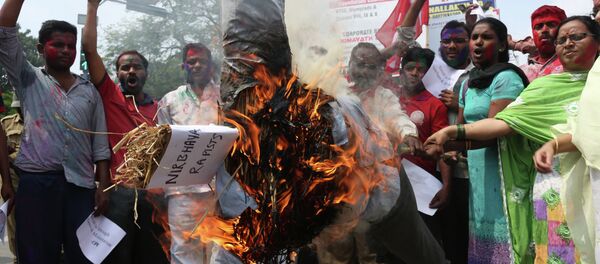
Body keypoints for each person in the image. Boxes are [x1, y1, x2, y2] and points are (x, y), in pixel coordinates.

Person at [426, 16, 600, 264]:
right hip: (556, 189)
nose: (568, 44)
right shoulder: (543, 87)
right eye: (562, 40)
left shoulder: (597, 84)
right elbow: (504, 122)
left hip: (594, 184)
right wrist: (452, 132)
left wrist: (554, 144)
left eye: (577, 37)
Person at [0, 0, 112, 262]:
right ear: (41, 48)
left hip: (81, 189)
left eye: (71, 46)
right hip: (37, 186)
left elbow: (100, 143)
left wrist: (103, 184)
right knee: (36, 256)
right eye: (57, 45)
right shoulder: (27, 78)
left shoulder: (89, 91)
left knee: (82, 257)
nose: (66, 50)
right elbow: (4, 31)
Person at [427, 17, 529, 263]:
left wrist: (447, 140)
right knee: (483, 244)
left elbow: (493, 134)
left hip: (504, 171)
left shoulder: (507, 78)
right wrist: (450, 153)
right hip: (477, 175)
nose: (478, 42)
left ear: (503, 45)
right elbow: (462, 125)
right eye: (475, 37)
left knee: (507, 242)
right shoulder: (468, 84)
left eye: (487, 37)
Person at [82, 1, 168, 263]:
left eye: (136, 66)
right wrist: (92, 7)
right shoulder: (110, 96)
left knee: (153, 257)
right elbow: (89, 50)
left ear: (145, 72)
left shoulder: (161, 110)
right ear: (117, 73)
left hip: (154, 199)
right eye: (124, 67)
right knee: (118, 258)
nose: (130, 70)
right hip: (119, 195)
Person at [157, 42, 220, 263]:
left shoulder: (225, 97)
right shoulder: (169, 101)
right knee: (183, 250)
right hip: (181, 191)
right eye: (191, 61)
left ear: (210, 65)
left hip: (218, 190)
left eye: (202, 60)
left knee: (219, 250)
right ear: (184, 66)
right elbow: (161, 145)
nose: (197, 65)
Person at [397, 47, 451, 246]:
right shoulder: (388, 98)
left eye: (421, 70)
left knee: (422, 244)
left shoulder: (434, 105)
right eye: (410, 68)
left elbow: (443, 148)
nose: (414, 73)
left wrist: (446, 186)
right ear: (402, 70)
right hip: (389, 183)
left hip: (421, 188)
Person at [434, 20, 472, 264]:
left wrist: (459, 106)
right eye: (446, 41)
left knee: (472, 234)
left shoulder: (479, 72)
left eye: (459, 40)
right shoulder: (431, 70)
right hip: (440, 169)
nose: (452, 46)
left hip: (471, 171)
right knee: (448, 236)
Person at [1, 94, 23, 262]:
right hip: (13, 180)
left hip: (36, 181)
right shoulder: (7, 123)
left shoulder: (44, 123)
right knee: (14, 223)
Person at [519, 5, 567, 81]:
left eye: (551, 25)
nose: (544, 30)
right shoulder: (520, 72)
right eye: (538, 27)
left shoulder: (575, 64)